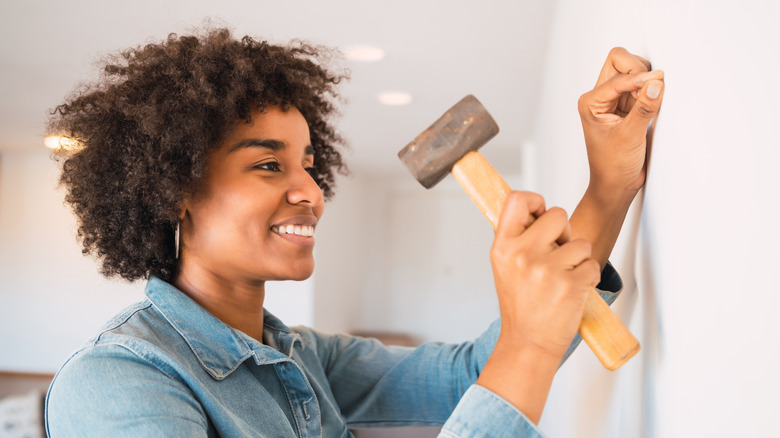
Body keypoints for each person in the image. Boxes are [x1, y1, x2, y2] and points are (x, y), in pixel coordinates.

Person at [44, 27, 664, 437]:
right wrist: (525, 348)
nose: (311, 193)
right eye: (268, 165)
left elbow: (471, 374)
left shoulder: (307, 358)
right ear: (173, 189)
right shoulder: (116, 382)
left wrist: (608, 189)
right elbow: (511, 360)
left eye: (310, 166)